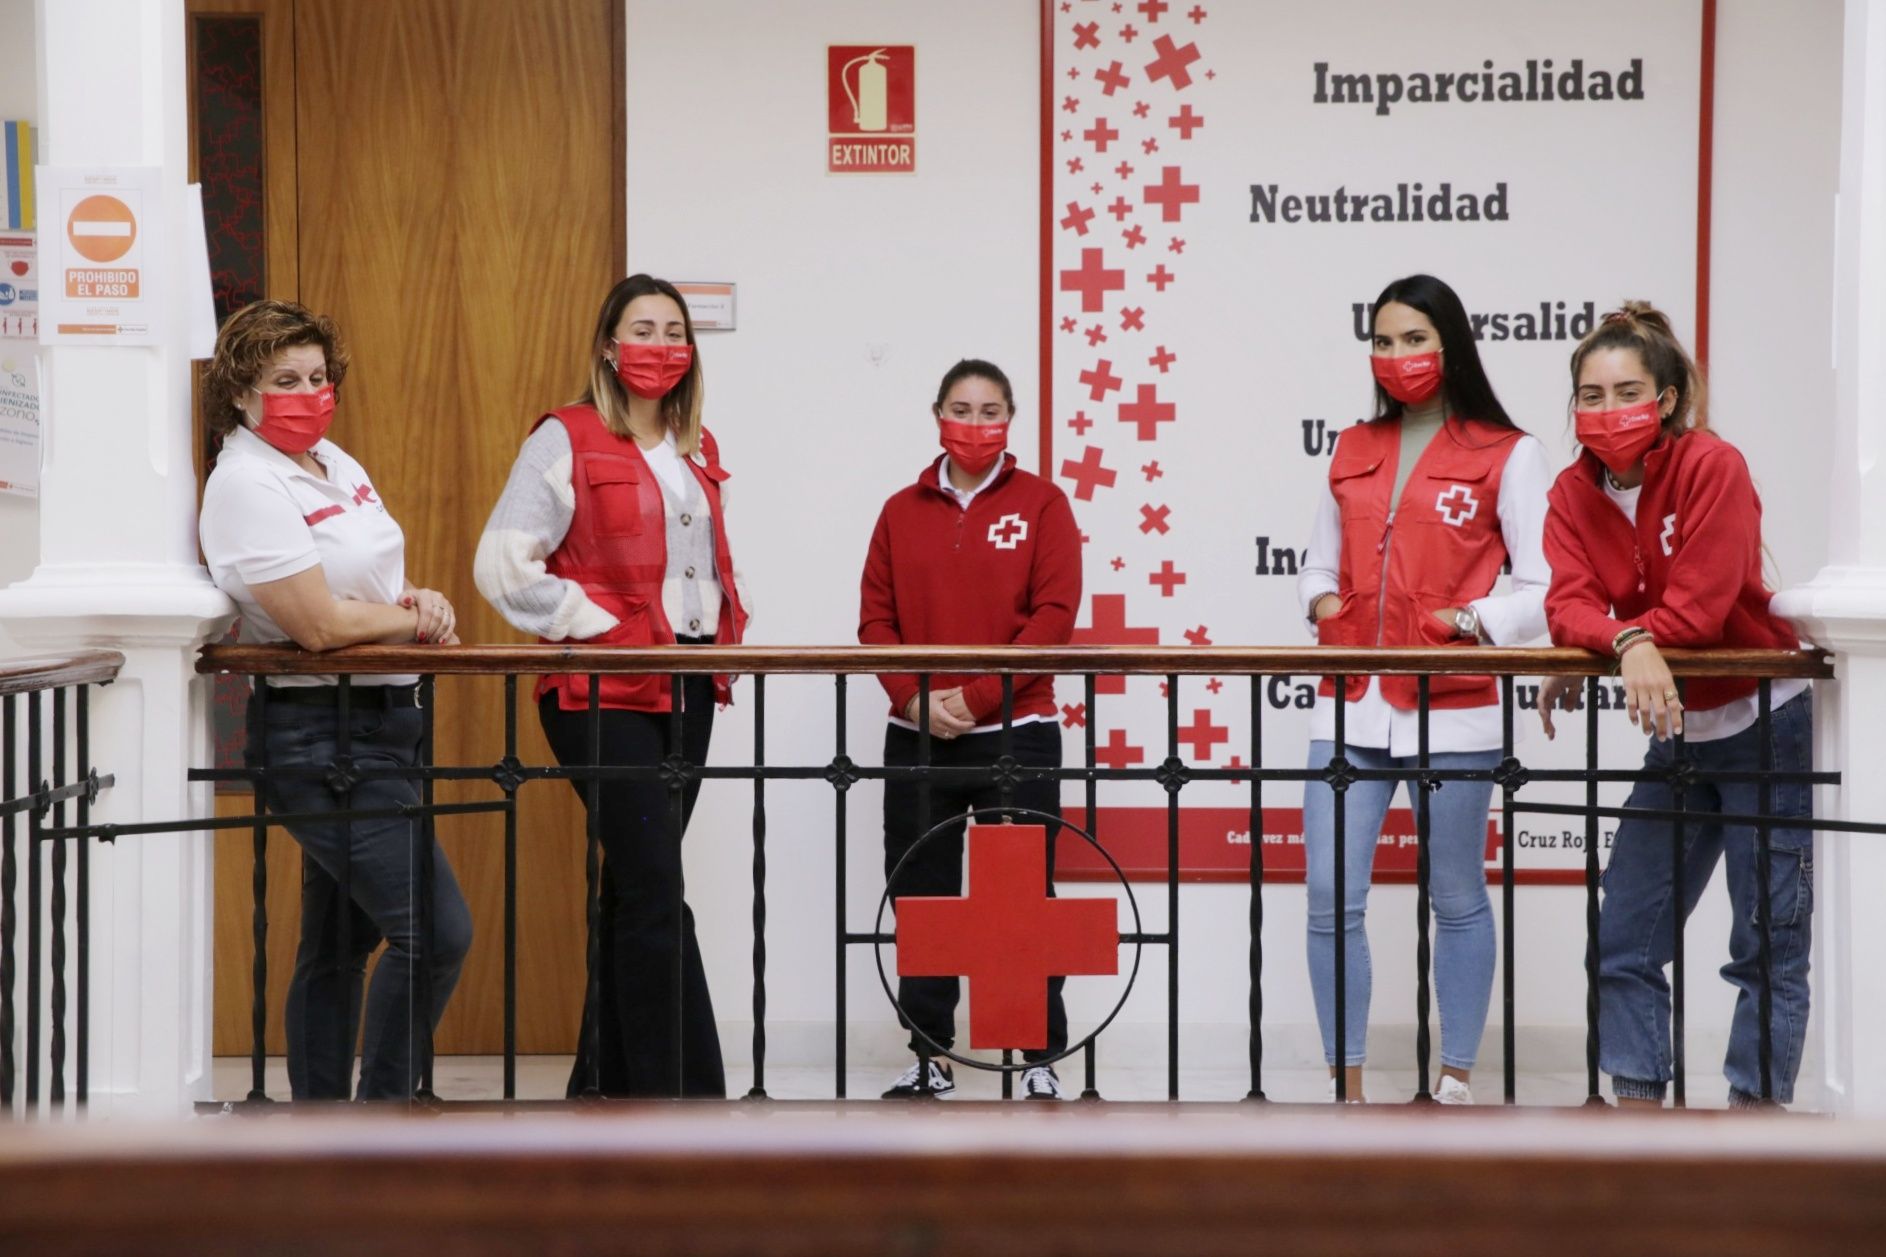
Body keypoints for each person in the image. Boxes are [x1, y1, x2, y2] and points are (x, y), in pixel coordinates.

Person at [476, 273, 748, 1098]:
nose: (660, 345)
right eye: (642, 328)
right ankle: (684, 1098)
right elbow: (500, 565)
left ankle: (601, 1089)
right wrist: (599, 625)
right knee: (658, 888)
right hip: (602, 694)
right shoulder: (565, 437)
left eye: (674, 331)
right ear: (607, 344)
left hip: (689, 687)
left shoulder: (696, 448)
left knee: (636, 885)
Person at [1538, 301, 1812, 1110]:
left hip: (1769, 723)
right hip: (1679, 732)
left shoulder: (1712, 465)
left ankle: (1753, 1125)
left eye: (1626, 391)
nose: (1606, 410)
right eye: (1589, 394)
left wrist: (1619, 638)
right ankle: (1637, 1122)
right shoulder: (1567, 492)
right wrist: (1626, 643)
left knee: (1766, 946)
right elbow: (1567, 606)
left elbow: (1700, 607)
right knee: (1624, 935)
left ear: (1664, 400)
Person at [198, 299, 471, 1100]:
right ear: (242, 391)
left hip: (386, 725)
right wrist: (413, 622)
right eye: (285, 378)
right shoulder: (245, 482)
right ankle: (377, 1127)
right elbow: (316, 624)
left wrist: (410, 597)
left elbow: (362, 582)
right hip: (320, 738)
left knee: (337, 942)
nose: (309, 392)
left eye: (319, 376)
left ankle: (319, 1132)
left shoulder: (335, 463)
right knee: (435, 930)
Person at [1297, 274, 1551, 1104]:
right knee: (1332, 894)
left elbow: (1543, 587)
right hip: (1352, 698)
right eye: (1383, 339)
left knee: (1456, 894)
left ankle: (1454, 1080)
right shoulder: (1350, 445)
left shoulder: (1508, 450)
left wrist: (1474, 620)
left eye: (1414, 338)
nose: (1396, 356)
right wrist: (1322, 602)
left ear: (1451, 345)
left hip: (1456, 702)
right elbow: (1316, 563)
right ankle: (1349, 1082)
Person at [859, 358, 1082, 1100]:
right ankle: (931, 1055)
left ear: (1010, 421)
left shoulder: (1045, 504)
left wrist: (978, 697)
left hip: (1018, 731)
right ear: (937, 416)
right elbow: (875, 621)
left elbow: (1052, 618)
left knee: (1025, 902)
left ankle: (1037, 1054)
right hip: (915, 735)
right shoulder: (898, 510)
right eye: (962, 408)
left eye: (991, 411)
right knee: (923, 898)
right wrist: (918, 701)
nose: (976, 424)